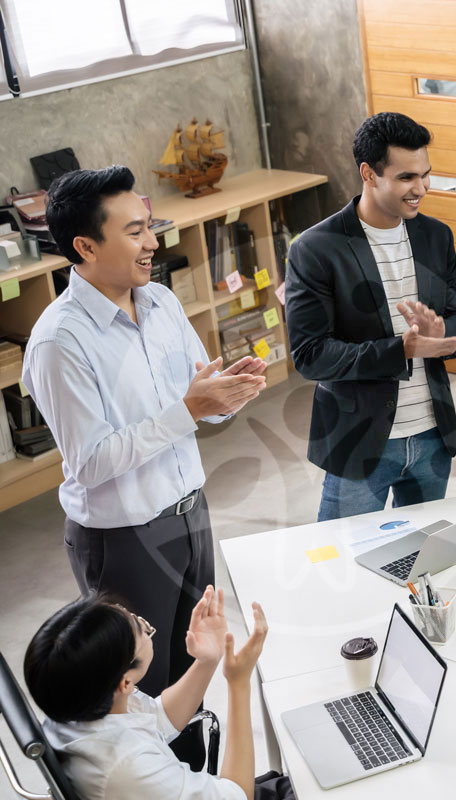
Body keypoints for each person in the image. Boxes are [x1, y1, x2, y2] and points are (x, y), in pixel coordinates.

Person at [23, 166, 267, 765]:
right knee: (141, 687)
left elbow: (196, 400)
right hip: (123, 537)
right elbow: (92, 461)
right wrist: (190, 410)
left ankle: (200, 778)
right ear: (85, 246)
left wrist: (222, 394)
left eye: (150, 226)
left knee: (198, 661)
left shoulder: (158, 301)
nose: (154, 242)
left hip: (190, 513)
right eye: (135, 231)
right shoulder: (60, 342)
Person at [286, 112, 456, 520]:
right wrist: (400, 350)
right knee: (344, 566)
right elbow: (310, 354)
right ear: (369, 174)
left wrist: (444, 332)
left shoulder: (436, 236)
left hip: (432, 437)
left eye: (426, 175)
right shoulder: (316, 249)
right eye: (407, 178)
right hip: (360, 443)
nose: (421, 188)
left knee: (422, 562)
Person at [24, 587, 287, 799]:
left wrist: (208, 660)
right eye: (143, 630)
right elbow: (238, 796)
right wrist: (239, 684)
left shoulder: (76, 698)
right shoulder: (130, 767)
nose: (143, 623)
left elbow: (156, 719)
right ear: (125, 682)